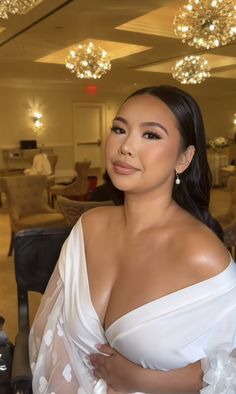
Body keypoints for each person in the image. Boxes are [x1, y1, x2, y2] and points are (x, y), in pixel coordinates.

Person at [29, 85, 236, 394]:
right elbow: (53, 340)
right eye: (119, 129)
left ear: (184, 158)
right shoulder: (89, 227)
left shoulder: (201, 254)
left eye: (150, 134)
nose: (125, 146)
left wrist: (146, 380)